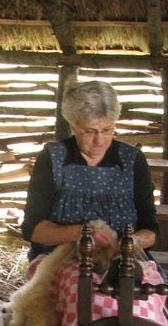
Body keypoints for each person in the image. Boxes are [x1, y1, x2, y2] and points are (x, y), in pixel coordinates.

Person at [21, 80, 160, 262]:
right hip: (60, 259)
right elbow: (33, 230)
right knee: (80, 289)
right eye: (89, 131)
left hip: (121, 259)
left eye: (107, 130)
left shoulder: (132, 160)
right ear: (73, 127)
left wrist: (131, 242)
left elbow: (151, 230)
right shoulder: (54, 157)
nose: (99, 140)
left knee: (137, 288)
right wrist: (80, 233)